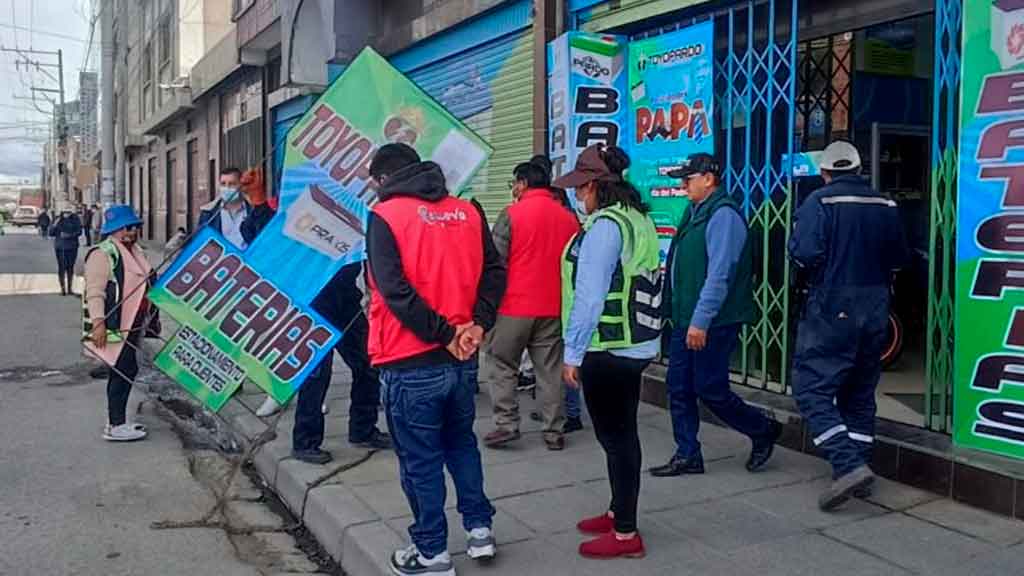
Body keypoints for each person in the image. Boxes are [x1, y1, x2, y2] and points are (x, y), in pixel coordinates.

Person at [366, 143, 505, 575]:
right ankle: (479, 530)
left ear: (383, 180)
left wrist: (445, 334)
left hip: (411, 361)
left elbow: (395, 292)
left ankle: (431, 553)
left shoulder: (385, 216)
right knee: (461, 443)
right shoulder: (467, 210)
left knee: (421, 460)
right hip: (462, 357)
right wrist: (477, 325)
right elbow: (495, 271)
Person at [789, 140, 908, 511]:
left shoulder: (819, 202)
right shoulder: (886, 205)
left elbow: (804, 252)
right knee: (859, 389)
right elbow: (900, 257)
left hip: (833, 303)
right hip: (876, 306)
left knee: (811, 388)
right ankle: (858, 470)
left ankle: (849, 463)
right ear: (859, 170)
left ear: (825, 172)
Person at [557, 145, 662, 560]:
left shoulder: (604, 226)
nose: (577, 197)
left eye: (580, 190)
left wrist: (573, 353)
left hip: (607, 347)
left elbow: (589, 296)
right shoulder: (637, 217)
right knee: (623, 435)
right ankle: (620, 509)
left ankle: (625, 533)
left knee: (615, 438)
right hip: (637, 342)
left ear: (596, 186)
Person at [649, 153, 781, 479]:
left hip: (712, 322)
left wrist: (700, 319)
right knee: (678, 386)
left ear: (709, 178)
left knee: (710, 388)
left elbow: (720, 274)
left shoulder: (723, 216)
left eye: (688, 178)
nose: (683, 185)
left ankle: (762, 429)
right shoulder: (694, 212)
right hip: (685, 318)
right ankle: (688, 453)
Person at [482, 159, 580, 451]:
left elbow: (495, 263)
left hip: (514, 306)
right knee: (549, 370)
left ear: (523, 183)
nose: (513, 189)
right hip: (553, 306)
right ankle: (554, 431)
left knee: (502, 364)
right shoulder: (568, 218)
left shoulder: (511, 214)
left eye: (514, 183)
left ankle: (507, 424)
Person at [83, 205, 153, 442]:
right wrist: (98, 324)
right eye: (128, 227)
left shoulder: (135, 250)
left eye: (135, 227)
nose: (133, 231)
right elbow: (95, 292)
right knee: (122, 370)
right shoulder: (102, 254)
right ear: (116, 229)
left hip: (134, 321)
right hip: (115, 324)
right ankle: (115, 425)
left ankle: (118, 421)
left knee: (126, 369)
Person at [198, 167, 273, 250]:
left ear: (241, 186)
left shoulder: (253, 210)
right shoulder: (208, 213)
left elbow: (265, 236)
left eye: (232, 184)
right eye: (223, 184)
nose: (227, 187)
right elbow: (201, 244)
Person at [50, 205, 84, 296]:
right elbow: (51, 233)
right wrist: (54, 224)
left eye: (68, 212)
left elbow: (79, 231)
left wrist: (70, 235)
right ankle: (62, 289)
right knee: (61, 267)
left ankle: (69, 288)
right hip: (60, 247)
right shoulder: (57, 219)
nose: (66, 214)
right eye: (65, 212)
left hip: (72, 247)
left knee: (70, 267)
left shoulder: (75, 219)